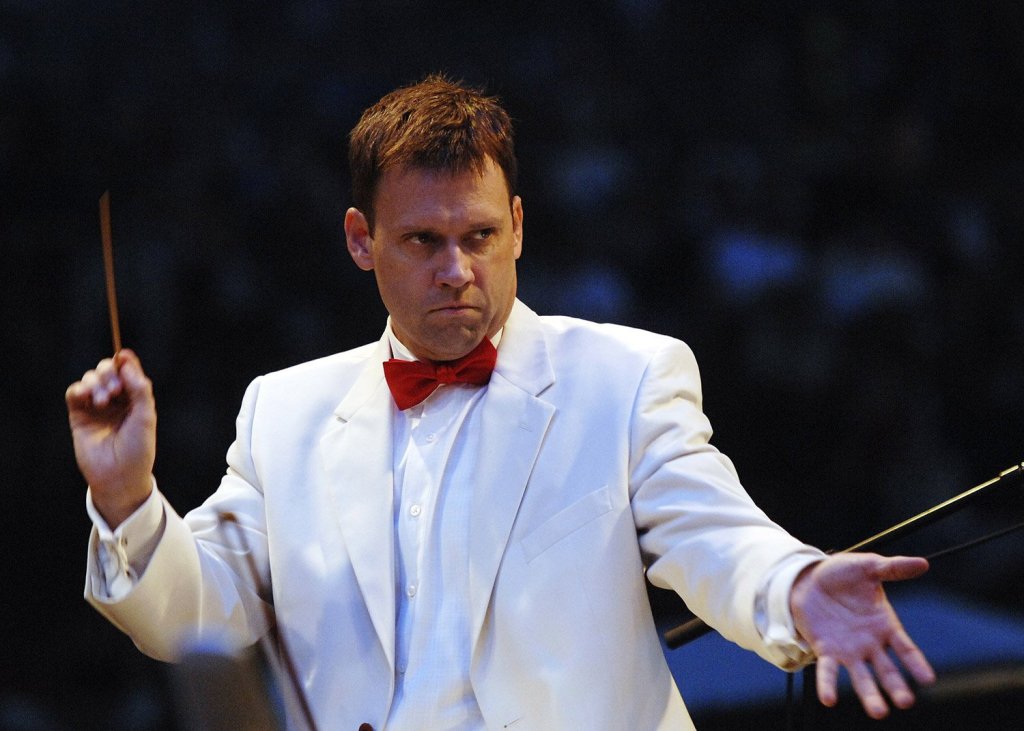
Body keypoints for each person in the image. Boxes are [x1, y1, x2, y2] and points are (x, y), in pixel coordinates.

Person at [67, 75, 935, 730]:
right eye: (422, 241)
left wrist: (798, 582)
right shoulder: (283, 412)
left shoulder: (625, 377)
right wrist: (125, 497)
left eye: (479, 236)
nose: (457, 269)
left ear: (517, 224)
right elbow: (192, 618)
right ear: (361, 241)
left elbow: (712, 531)